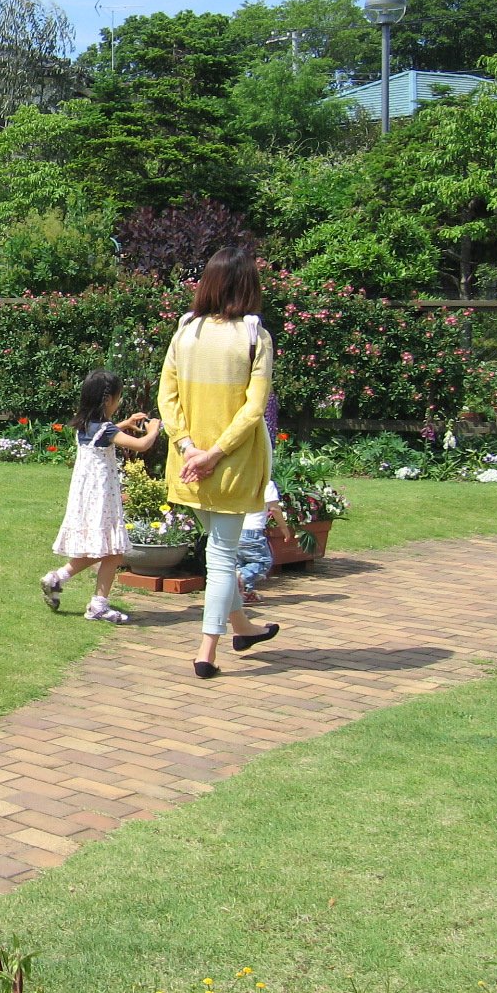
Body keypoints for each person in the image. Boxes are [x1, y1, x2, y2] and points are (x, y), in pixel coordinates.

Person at [157, 246, 281, 678]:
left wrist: (189, 446)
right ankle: (207, 649)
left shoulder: (185, 331)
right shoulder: (255, 336)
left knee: (218, 549)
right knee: (224, 556)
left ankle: (242, 626)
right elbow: (254, 408)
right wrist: (215, 452)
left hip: (186, 463)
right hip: (232, 464)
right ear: (248, 284)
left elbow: (166, 398)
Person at [40, 369, 162, 621]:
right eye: (117, 397)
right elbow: (141, 445)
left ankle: (57, 579)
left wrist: (124, 424)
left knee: (102, 550)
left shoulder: (84, 426)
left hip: (86, 498)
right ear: (108, 400)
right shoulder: (105, 429)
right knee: (112, 551)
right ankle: (98, 605)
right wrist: (154, 429)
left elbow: (101, 436)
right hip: (103, 498)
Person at [235, 479, 293, 604]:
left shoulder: (239, 480)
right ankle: (238, 579)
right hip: (252, 532)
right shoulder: (266, 483)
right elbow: (275, 509)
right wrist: (284, 528)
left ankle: (245, 593)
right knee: (263, 562)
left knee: (242, 563)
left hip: (234, 530)